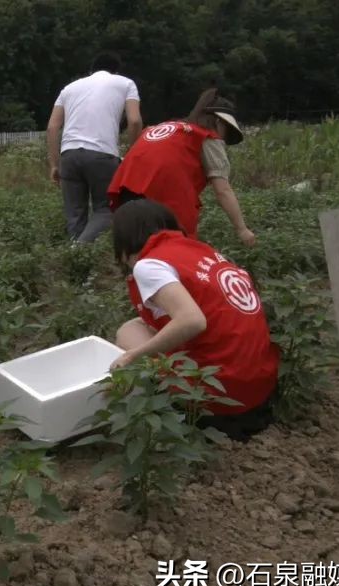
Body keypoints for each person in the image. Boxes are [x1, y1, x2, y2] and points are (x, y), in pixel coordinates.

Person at [110, 199, 279, 441]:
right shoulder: (202, 252)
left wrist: (133, 356)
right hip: (258, 390)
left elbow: (192, 321)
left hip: (214, 396)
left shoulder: (149, 264)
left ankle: (158, 403)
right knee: (137, 326)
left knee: (127, 334)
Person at [108, 88, 256, 246]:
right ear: (219, 122)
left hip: (126, 191)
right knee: (174, 250)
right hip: (161, 198)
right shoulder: (205, 136)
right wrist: (242, 229)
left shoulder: (164, 128)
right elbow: (222, 190)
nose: (223, 137)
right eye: (226, 130)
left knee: (136, 249)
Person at [47, 51, 143, 243]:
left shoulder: (69, 88)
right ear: (115, 71)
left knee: (75, 214)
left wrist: (54, 165)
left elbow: (52, 127)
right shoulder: (125, 83)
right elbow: (134, 121)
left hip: (69, 155)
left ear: (91, 69)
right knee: (106, 210)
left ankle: (75, 264)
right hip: (102, 154)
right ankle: (79, 250)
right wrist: (133, 155)